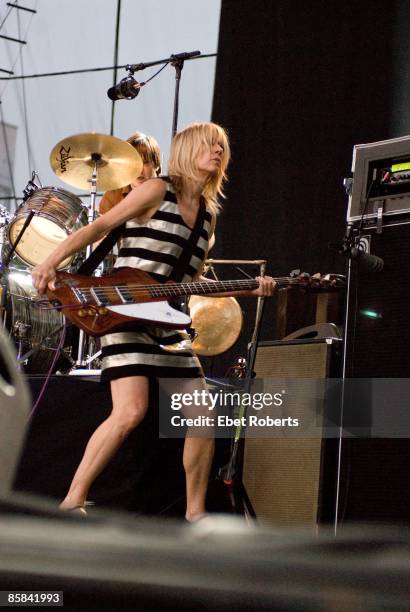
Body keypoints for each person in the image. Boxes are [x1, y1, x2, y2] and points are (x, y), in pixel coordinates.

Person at [32, 122, 276, 521]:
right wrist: (49, 261)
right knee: (130, 412)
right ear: (188, 148)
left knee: (203, 414)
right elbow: (100, 226)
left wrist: (249, 289)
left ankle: (195, 514)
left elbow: (190, 281)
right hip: (124, 311)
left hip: (167, 321)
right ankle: (72, 500)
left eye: (221, 148)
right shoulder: (157, 189)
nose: (217, 152)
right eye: (209, 145)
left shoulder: (207, 218)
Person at [99, 132, 161, 215]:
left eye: (144, 163)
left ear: (156, 164)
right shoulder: (112, 196)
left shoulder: (170, 195)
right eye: (133, 164)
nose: (139, 170)